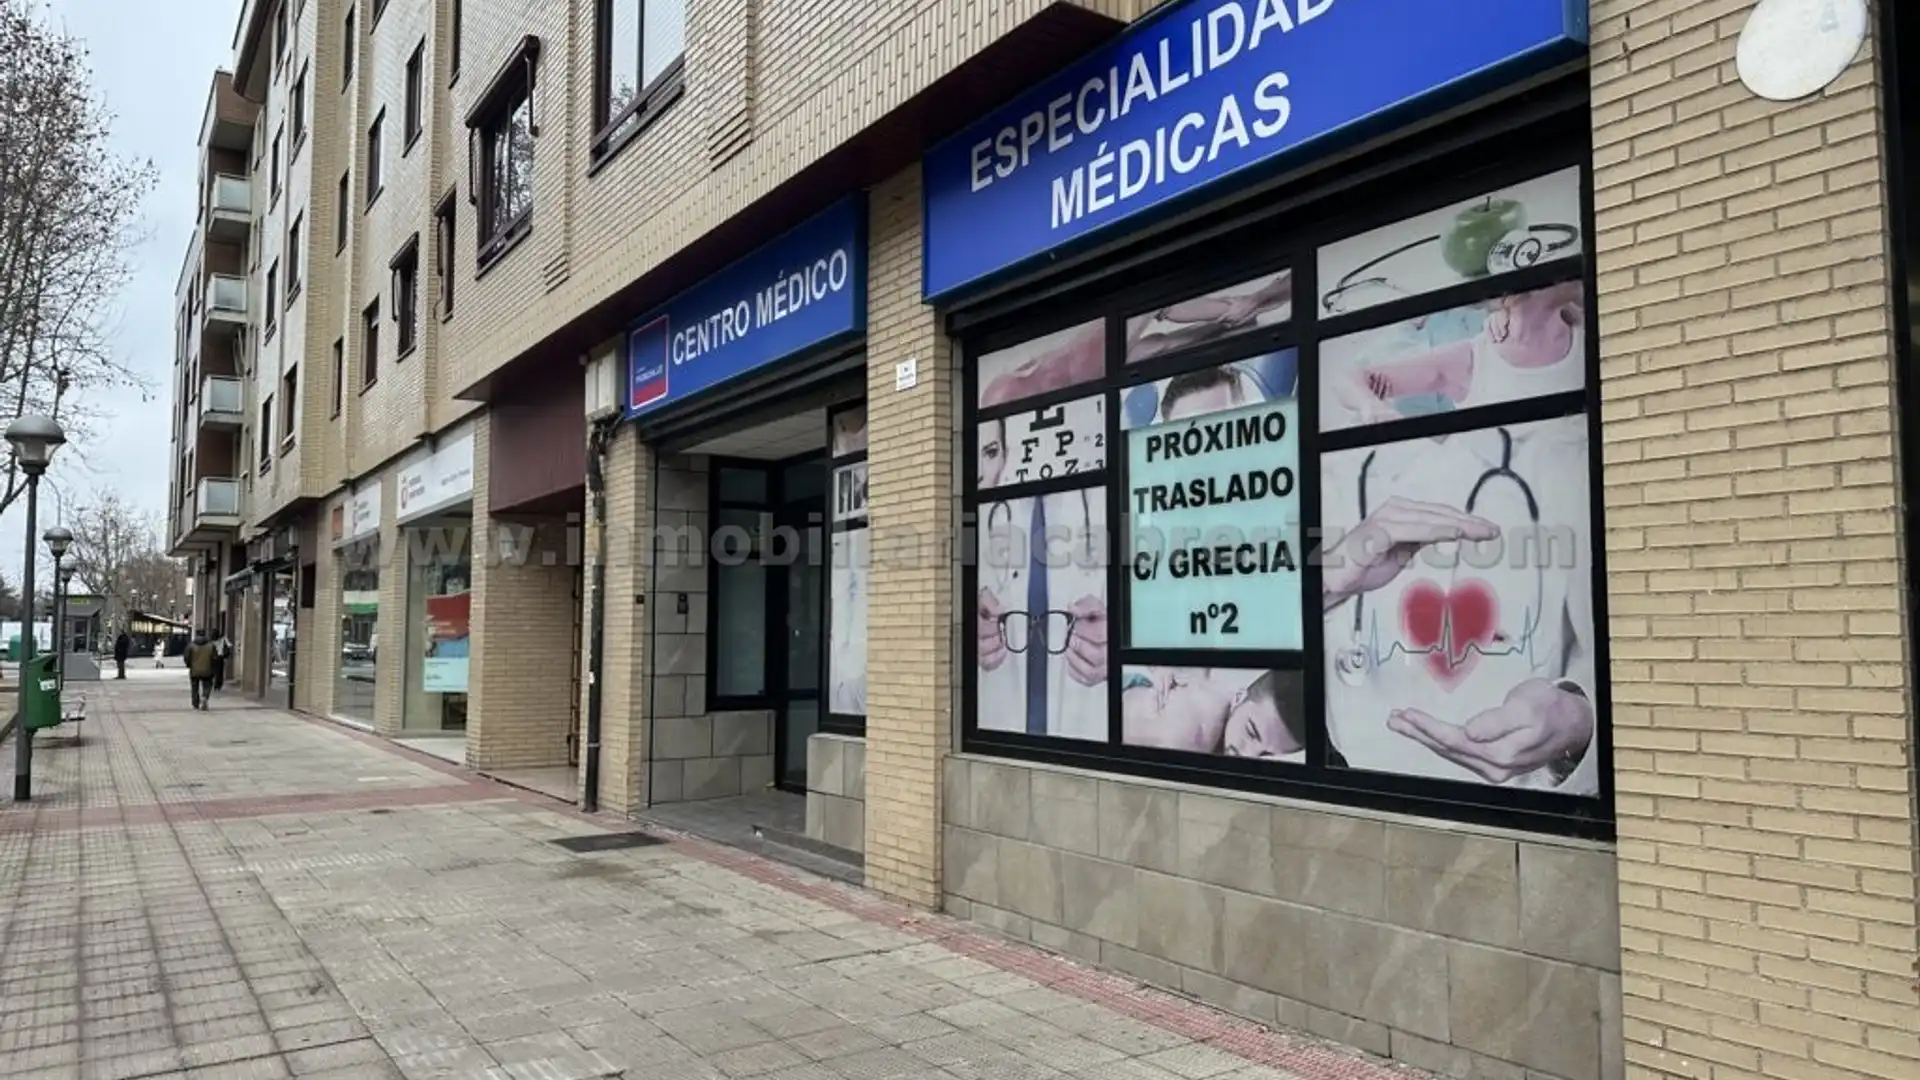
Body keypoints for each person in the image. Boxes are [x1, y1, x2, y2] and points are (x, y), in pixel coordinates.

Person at [1318, 416, 1597, 793]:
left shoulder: (1564, 461)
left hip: (1520, 814)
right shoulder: (1325, 475)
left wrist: (1577, 720)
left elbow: (1629, 662)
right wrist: (1327, 584)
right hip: (1356, 799)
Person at [1122, 667, 1305, 759]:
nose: (1249, 756)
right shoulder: (1198, 726)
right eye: (1251, 732)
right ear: (1239, 697)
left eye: (1266, 754)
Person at [185, 631, 217, 711]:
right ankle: (205, 697)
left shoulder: (191, 646)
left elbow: (187, 657)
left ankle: (195, 703)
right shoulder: (211, 646)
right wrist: (213, 667)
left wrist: (189, 665)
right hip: (207, 670)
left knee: (194, 687)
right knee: (207, 685)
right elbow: (215, 658)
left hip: (194, 670)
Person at [211, 624, 231, 693]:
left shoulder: (211, 640)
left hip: (213, 658)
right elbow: (229, 646)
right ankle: (218, 684)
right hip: (220, 658)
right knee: (219, 672)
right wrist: (226, 655)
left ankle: (215, 684)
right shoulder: (223, 639)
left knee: (214, 671)